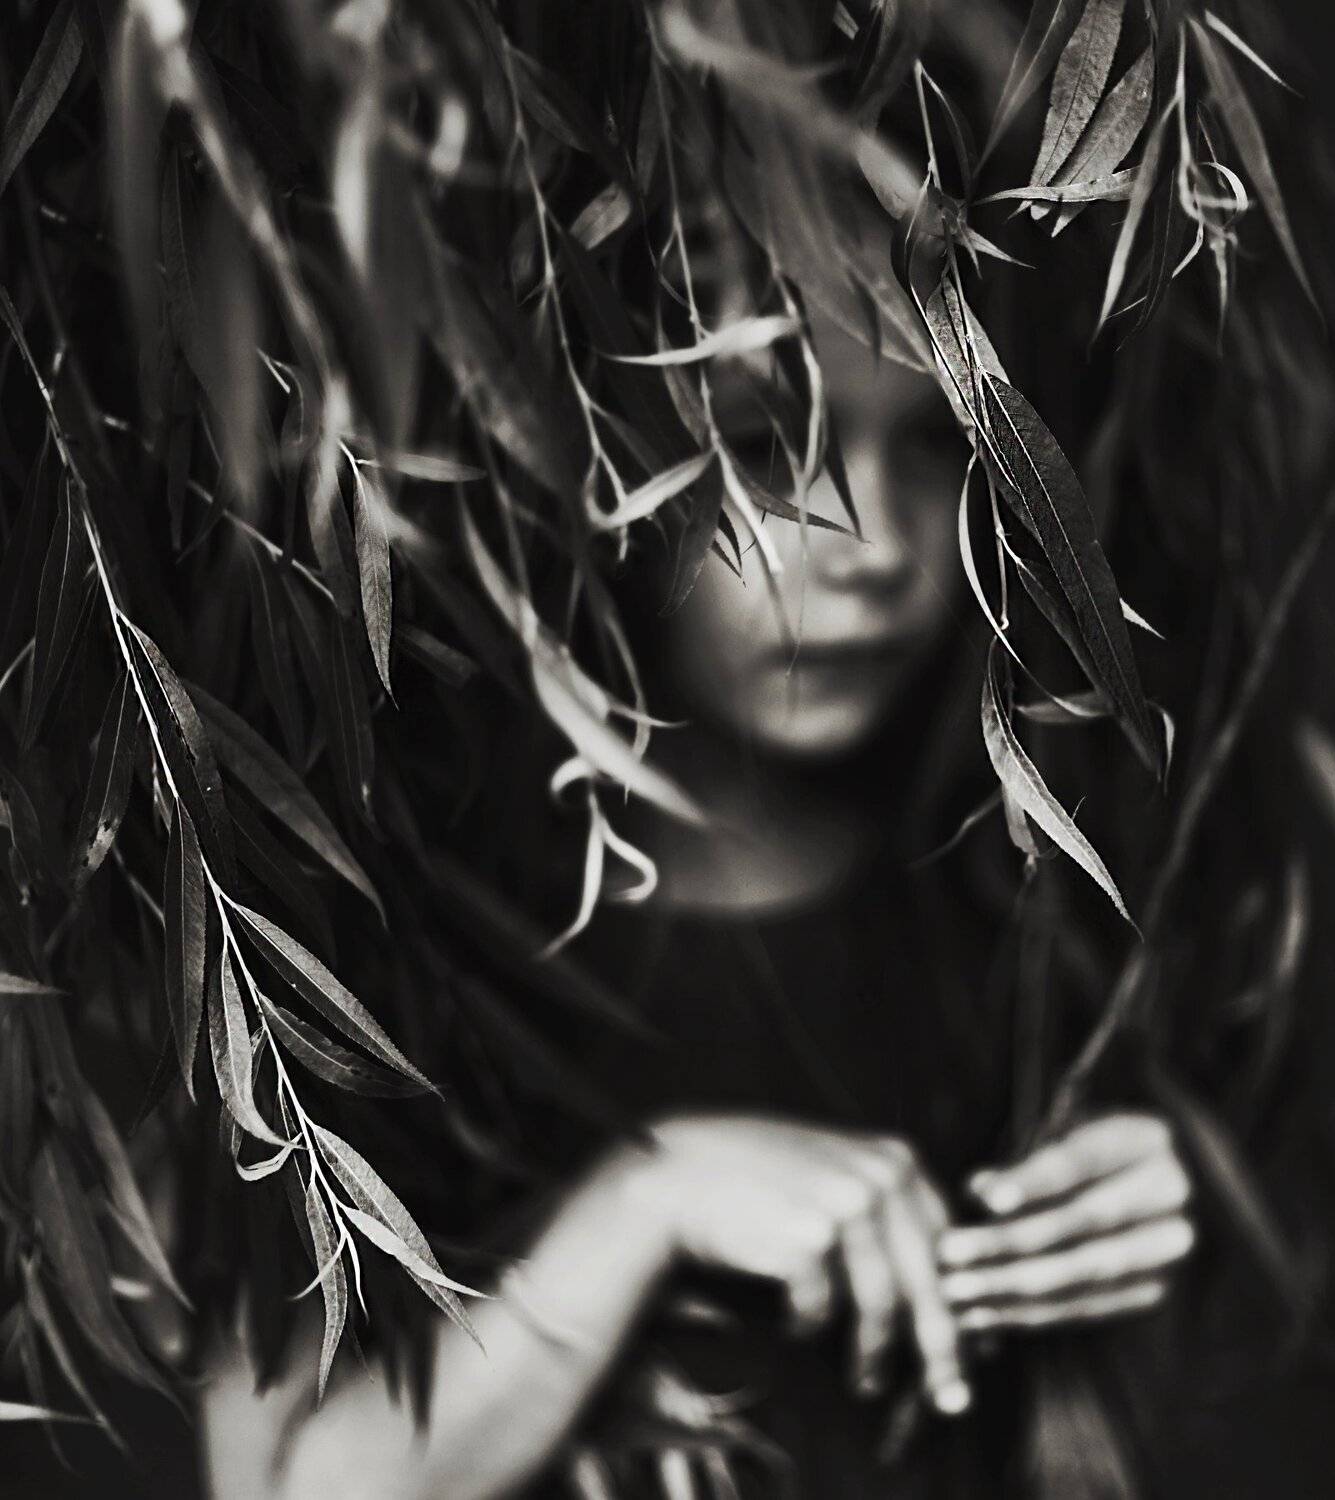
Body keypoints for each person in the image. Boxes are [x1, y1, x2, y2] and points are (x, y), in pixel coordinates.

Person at [200, 321, 1196, 1500]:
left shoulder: (1010, 886)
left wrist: (1117, 1231)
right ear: (573, 453)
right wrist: (646, 1207)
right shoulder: (339, 943)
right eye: (765, 442)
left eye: (938, 443)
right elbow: (277, 1487)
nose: (876, 544)